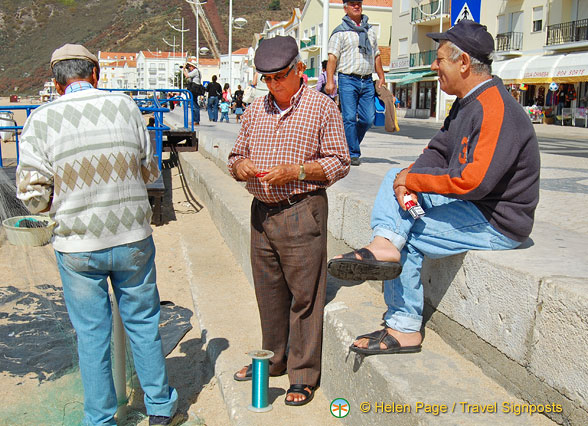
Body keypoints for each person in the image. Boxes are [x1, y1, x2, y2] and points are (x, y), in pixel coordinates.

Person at [328, 21, 540, 356]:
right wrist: (407, 177)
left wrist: (412, 181)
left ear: (464, 63)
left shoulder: (495, 108)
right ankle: (384, 243)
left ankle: (404, 327)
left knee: (409, 237)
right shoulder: (466, 102)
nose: (433, 65)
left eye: (439, 59)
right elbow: (437, 152)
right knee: (393, 177)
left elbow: (475, 181)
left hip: (496, 220)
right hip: (473, 203)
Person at [16, 44, 178, 425]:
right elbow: (149, 171)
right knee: (143, 322)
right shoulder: (126, 106)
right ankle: (159, 407)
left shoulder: (39, 120)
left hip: (78, 246)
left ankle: (101, 418)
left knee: (92, 335)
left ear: (57, 84)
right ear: (96, 75)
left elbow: (34, 199)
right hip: (132, 238)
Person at [227, 36, 350, 406]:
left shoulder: (322, 108)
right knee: (269, 293)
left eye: (279, 76)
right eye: (266, 78)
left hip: (301, 209)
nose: (273, 84)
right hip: (261, 214)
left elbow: (340, 161)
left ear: (299, 70)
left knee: (305, 298)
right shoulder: (253, 110)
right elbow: (235, 154)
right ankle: (274, 359)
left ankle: (302, 374)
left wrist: (296, 171)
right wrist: (240, 167)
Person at [326, 0, 385, 166]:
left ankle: (346, 145)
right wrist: (330, 80)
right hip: (347, 79)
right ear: (345, 8)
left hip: (366, 80)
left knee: (368, 118)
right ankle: (353, 153)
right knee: (349, 118)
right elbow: (332, 58)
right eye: (352, 3)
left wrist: (381, 76)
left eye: (358, 3)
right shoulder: (340, 32)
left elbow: (377, 55)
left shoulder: (370, 31)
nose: (356, 6)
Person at [183, 60, 202, 124]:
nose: (189, 67)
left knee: (194, 105)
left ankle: (196, 120)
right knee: (193, 104)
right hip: (195, 89)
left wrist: (184, 69)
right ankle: (194, 120)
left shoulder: (195, 71)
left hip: (194, 89)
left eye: (190, 66)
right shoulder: (197, 71)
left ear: (193, 66)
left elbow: (187, 76)